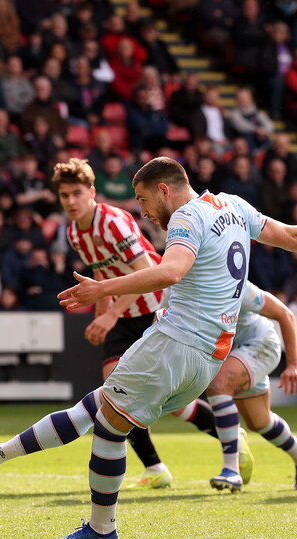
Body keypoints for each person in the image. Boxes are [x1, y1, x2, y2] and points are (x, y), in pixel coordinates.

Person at [0, 156, 297, 539]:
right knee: (107, 419)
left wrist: (102, 290)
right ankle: (15, 468)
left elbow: (169, 271)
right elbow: (292, 237)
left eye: (145, 201)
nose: (144, 212)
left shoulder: (187, 215)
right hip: (208, 359)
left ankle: (77, 511)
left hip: (175, 342)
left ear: (165, 191)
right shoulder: (233, 206)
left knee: (99, 416)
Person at [50, 157, 223, 489]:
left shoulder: (113, 221)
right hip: (119, 311)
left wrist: (110, 313)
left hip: (151, 308)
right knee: (116, 394)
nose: (70, 202)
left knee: (161, 402)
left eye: (76, 193)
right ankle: (155, 467)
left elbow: (147, 272)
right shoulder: (75, 232)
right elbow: (101, 272)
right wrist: (103, 314)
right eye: (64, 196)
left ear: (92, 192)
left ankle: (228, 435)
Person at [204, 281, 297, 493]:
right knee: (260, 422)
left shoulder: (232, 283)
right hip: (231, 352)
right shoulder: (178, 287)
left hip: (259, 344)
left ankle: (231, 470)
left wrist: (293, 364)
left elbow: (285, 314)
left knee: (219, 387)